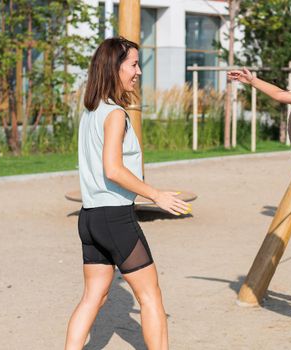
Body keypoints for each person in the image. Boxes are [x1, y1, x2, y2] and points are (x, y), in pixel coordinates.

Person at [65, 37, 189, 350]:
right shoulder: (116, 114)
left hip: (90, 218)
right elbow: (113, 169)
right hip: (114, 217)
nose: (138, 71)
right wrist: (155, 195)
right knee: (151, 297)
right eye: (133, 64)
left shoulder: (92, 112)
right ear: (115, 68)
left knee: (95, 296)